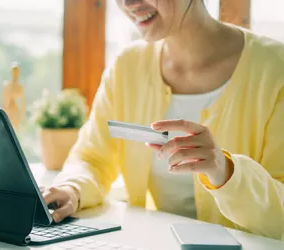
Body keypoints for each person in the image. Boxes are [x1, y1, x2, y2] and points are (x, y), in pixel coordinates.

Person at [42, 0, 284, 241]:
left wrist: (226, 171)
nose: (128, 3)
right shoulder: (127, 66)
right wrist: (72, 188)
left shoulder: (275, 69)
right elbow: (92, 158)